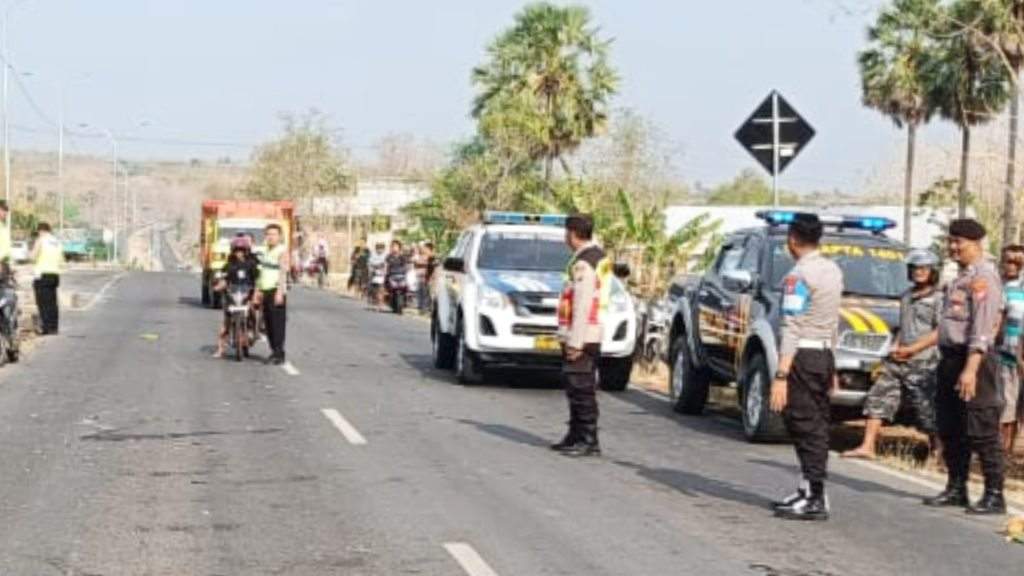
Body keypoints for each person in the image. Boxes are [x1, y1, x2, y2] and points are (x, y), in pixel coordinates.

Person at [923, 218, 1006, 515]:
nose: (953, 247)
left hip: (975, 362)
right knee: (951, 426)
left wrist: (970, 369)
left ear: (976, 243)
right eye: (951, 241)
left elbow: (982, 329)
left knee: (981, 428)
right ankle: (956, 487)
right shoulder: (960, 278)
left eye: (959, 242)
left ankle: (994, 494)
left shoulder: (984, 278)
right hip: (950, 359)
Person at [769, 213, 843, 521]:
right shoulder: (833, 270)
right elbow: (833, 321)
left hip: (802, 356)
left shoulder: (797, 277)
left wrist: (781, 375)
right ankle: (806, 488)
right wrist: (833, 365)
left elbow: (793, 326)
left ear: (793, 239)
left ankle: (814, 495)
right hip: (823, 355)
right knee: (816, 422)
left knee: (804, 425)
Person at [842, 249, 942, 460]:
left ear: (933, 271)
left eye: (923, 268)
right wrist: (895, 348)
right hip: (897, 360)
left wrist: (914, 349)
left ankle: (938, 453)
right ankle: (867, 446)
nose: (918, 272)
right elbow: (903, 327)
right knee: (877, 398)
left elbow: (940, 331)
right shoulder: (906, 296)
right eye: (914, 268)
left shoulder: (940, 298)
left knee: (927, 409)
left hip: (924, 362)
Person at [551, 213, 612, 458]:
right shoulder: (598, 256)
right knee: (576, 386)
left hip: (584, 333)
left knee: (581, 388)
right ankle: (575, 435)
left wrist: (575, 342)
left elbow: (583, 304)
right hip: (592, 330)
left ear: (573, 233)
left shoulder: (585, 263)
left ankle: (587, 438)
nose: (565, 237)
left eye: (566, 232)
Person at [997, 245, 1024, 454]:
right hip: (1003, 352)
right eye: (1009, 261)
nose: (1012, 266)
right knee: (1005, 399)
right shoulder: (996, 286)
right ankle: (1001, 448)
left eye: (1017, 262)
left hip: (1020, 351)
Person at [212, 236, 259, 358]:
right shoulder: (229, 264)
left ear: (247, 251)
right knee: (225, 323)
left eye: (242, 250)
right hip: (233, 295)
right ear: (233, 251)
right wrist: (218, 284)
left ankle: (254, 331)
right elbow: (223, 278)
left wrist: (256, 293)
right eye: (237, 250)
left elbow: (258, 278)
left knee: (254, 312)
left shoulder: (252, 263)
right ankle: (220, 349)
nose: (239, 253)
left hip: (247, 294)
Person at [255, 223, 289, 365]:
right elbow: (260, 272)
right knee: (267, 323)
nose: (270, 237)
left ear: (279, 236)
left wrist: (280, 292)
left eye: (274, 234)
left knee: (277, 324)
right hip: (265, 290)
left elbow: (282, 273)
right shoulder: (264, 251)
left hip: (276, 290)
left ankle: (279, 352)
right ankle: (273, 350)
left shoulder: (282, 251)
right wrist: (257, 290)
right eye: (268, 234)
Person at [31, 222, 64, 336]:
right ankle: (54, 328)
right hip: (54, 274)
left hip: (42, 274)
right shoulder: (57, 242)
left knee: (42, 302)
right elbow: (61, 259)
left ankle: (46, 328)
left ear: (41, 231)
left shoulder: (41, 240)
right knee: (52, 302)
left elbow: (33, 256)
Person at [367, 243, 387, 308]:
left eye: (381, 249)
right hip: (374, 273)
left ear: (383, 249)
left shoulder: (385, 255)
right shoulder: (373, 255)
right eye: (378, 249)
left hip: (382, 274)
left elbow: (386, 263)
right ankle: (371, 298)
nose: (380, 250)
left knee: (382, 289)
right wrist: (371, 269)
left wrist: (385, 270)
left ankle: (381, 303)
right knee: (372, 288)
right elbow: (370, 263)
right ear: (376, 249)